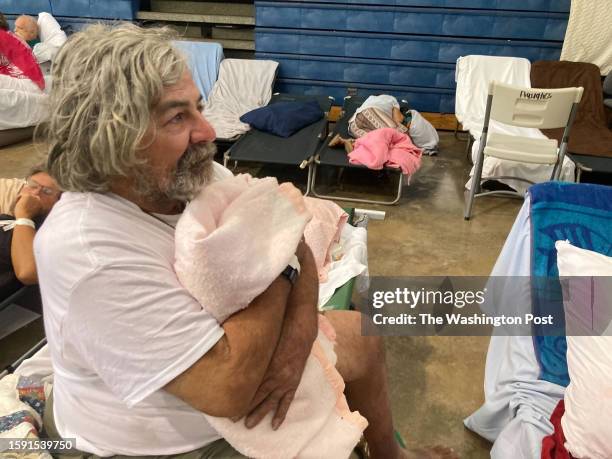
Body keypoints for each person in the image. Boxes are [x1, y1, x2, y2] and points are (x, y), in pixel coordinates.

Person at [36, 23, 455, 458]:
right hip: (160, 444)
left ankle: (392, 455)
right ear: (112, 139)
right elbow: (229, 389)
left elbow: (293, 231)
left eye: (199, 108)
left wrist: (299, 330)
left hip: (233, 369)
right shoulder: (89, 251)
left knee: (362, 335)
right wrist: (278, 263)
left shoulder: (188, 175)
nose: (208, 132)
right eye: (177, 117)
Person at [0, 165, 61, 301]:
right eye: (33, 185)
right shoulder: (5, 217)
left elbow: (28, 273)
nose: (35, 194)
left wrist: (24, 216)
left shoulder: (45, 235)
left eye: (47, 191)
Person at [329, 94, 410, 153]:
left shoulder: (370, 99)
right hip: (370, 113)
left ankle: (347, 142)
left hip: (354, 125)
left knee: (380, 143)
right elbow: (398, 119)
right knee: (401, 135)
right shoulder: (392, 99)